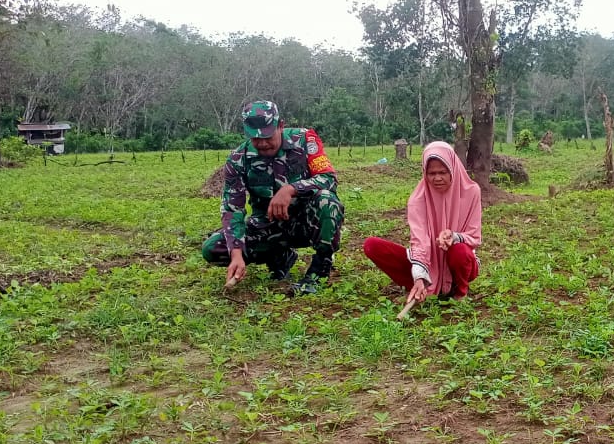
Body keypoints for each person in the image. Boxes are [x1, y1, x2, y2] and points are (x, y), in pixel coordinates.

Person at [202, 101, 344, 294]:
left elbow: (328, 178)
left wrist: (291, 189)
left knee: (327, 201)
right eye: (255, 138)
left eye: (267, 135)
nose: (262, 143)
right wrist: (236, 254)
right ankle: (280, 258)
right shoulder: (238, 159)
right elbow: (232, 209)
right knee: (213, 247)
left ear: (281, 125)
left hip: (306, 224)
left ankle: (318, 273)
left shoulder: (305, 140)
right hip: (267, 226)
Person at [362, 141, 481, 305]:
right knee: (372, 245)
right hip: (428, 265)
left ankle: (459, 292)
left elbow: (474, 237)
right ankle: (422, 286)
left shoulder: (471, 192)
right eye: (431, 173)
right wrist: (419, 275)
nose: (437, 178)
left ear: (453, 169)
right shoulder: (417, 199)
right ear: (425, 173)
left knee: (459, 250)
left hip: (460, 266)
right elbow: (420, 241)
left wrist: (454, 237)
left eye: (443, 172)